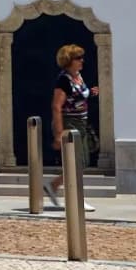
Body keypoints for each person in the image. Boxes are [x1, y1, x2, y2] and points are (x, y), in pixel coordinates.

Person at [48, 44, 98, 211]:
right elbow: (56, 106)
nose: (82, 61)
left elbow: (79, 96)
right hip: (70, 124)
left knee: (81, 162)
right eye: (78, 58)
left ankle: (54, 186)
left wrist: (91, 92)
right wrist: (59, 133)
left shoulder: (78, 76)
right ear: (69, 61)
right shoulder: (64, 80)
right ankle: (76, 199)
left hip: (82, 124)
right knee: (76, 162)